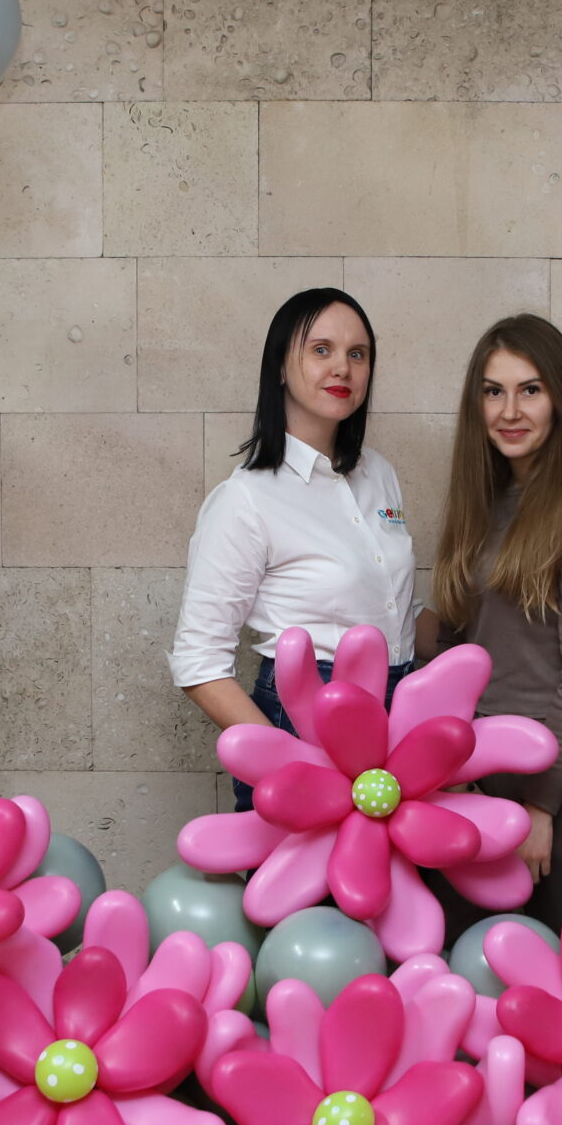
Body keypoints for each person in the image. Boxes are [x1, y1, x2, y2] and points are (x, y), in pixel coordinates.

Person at [424, 313, 562, 923]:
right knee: (468, 960)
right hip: (478, 772)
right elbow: (459, 646)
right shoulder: (481, 500)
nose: (509, 411)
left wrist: (541, 807)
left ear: (560, 399)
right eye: (493, 391)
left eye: (530, 390)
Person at [171, 288, 414, 806]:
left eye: (357, 354)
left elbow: (387, 605)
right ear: (281, 366)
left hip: (398, 716)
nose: (343, 368)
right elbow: (198, 663)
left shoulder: (380, 474)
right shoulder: (246, 498)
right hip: (304, 715)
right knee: (306, 861)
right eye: (321, 350)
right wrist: (282, 756)